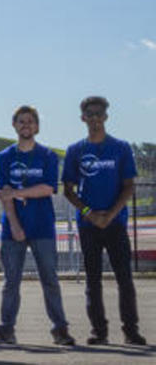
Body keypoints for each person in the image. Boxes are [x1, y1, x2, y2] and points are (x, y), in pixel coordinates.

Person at [61, 96, 146, 346]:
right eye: (90, 114)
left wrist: (109, 215)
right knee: (93, 280)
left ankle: (131, 331)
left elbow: (129, 186)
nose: (95, 118)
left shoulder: (120, 147)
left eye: (99, 114)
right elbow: (68, 190)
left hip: (115, 223)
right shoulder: (75, 150)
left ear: (106, 117)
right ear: (83, 118)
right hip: (89, 225)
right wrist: (89, 212)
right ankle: (99, 332)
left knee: (124, 278)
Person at [0, 105, 75, 347]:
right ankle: (7, 329)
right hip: (12, 229)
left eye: (30, 121)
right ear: (14, 125)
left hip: (42, 227)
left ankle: (60, 329)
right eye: (21, 121)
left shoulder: (47, 156)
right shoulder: (5, 157)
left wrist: (18, 192)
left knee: (49, 279)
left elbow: (48, 188)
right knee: (11, 282)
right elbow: (2, 194)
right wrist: (15, 224)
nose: (26, 125)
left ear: (37, 126)